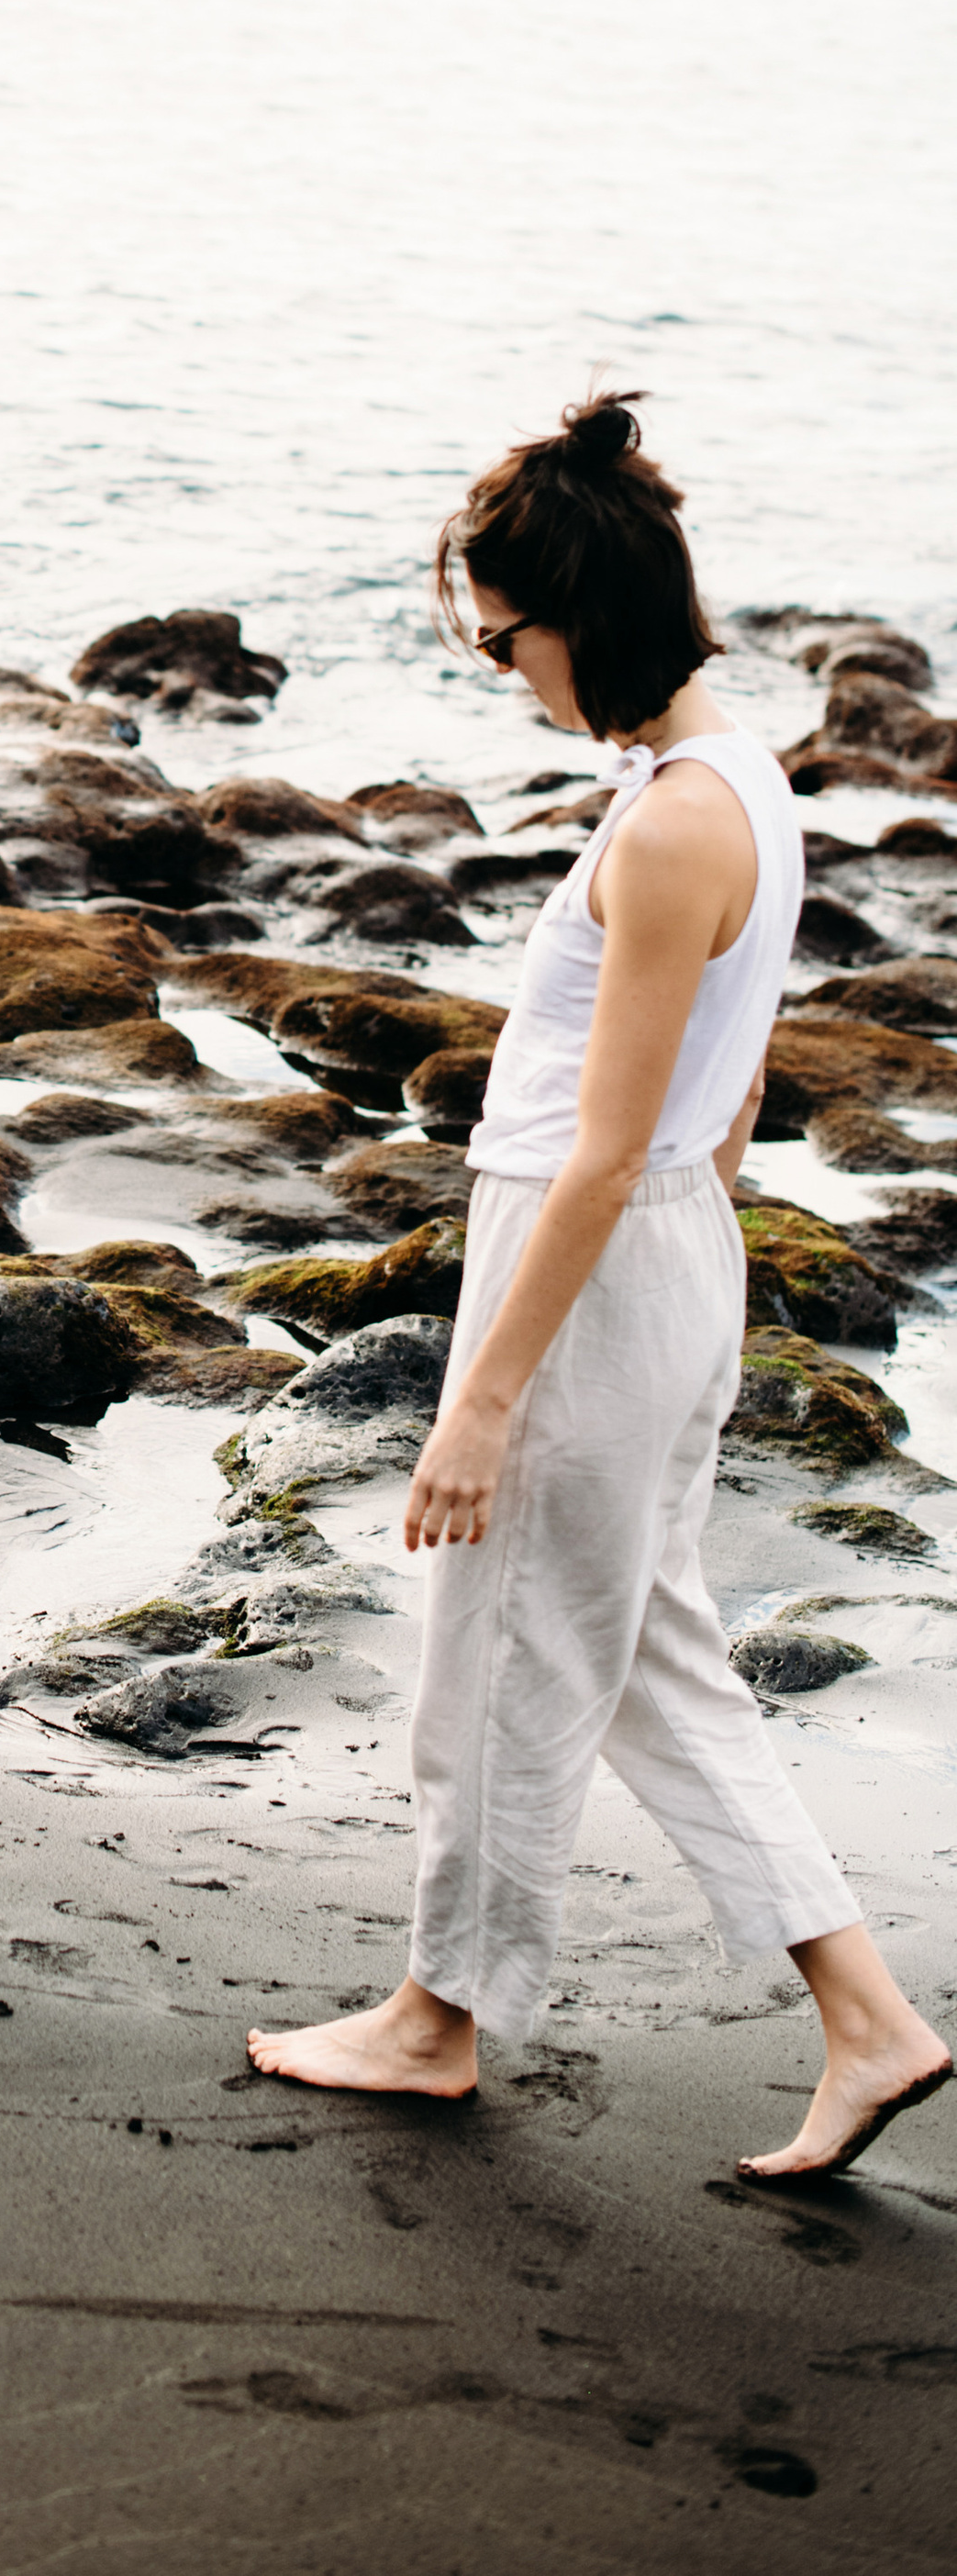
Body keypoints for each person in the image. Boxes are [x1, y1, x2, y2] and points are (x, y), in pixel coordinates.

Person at [249, 392, 950, 2180]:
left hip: (595, 1266)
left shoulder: (671, 826)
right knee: (643, 1657)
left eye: (508, 642)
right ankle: (869, 2022)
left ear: (584, 613)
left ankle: (437, 2018)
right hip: (664, 1254)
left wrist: (483, 1400)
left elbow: (601, 1148)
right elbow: (720, 1098)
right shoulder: (730, 784)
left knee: (490, 1663)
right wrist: (685, 1267)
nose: (505, 676)